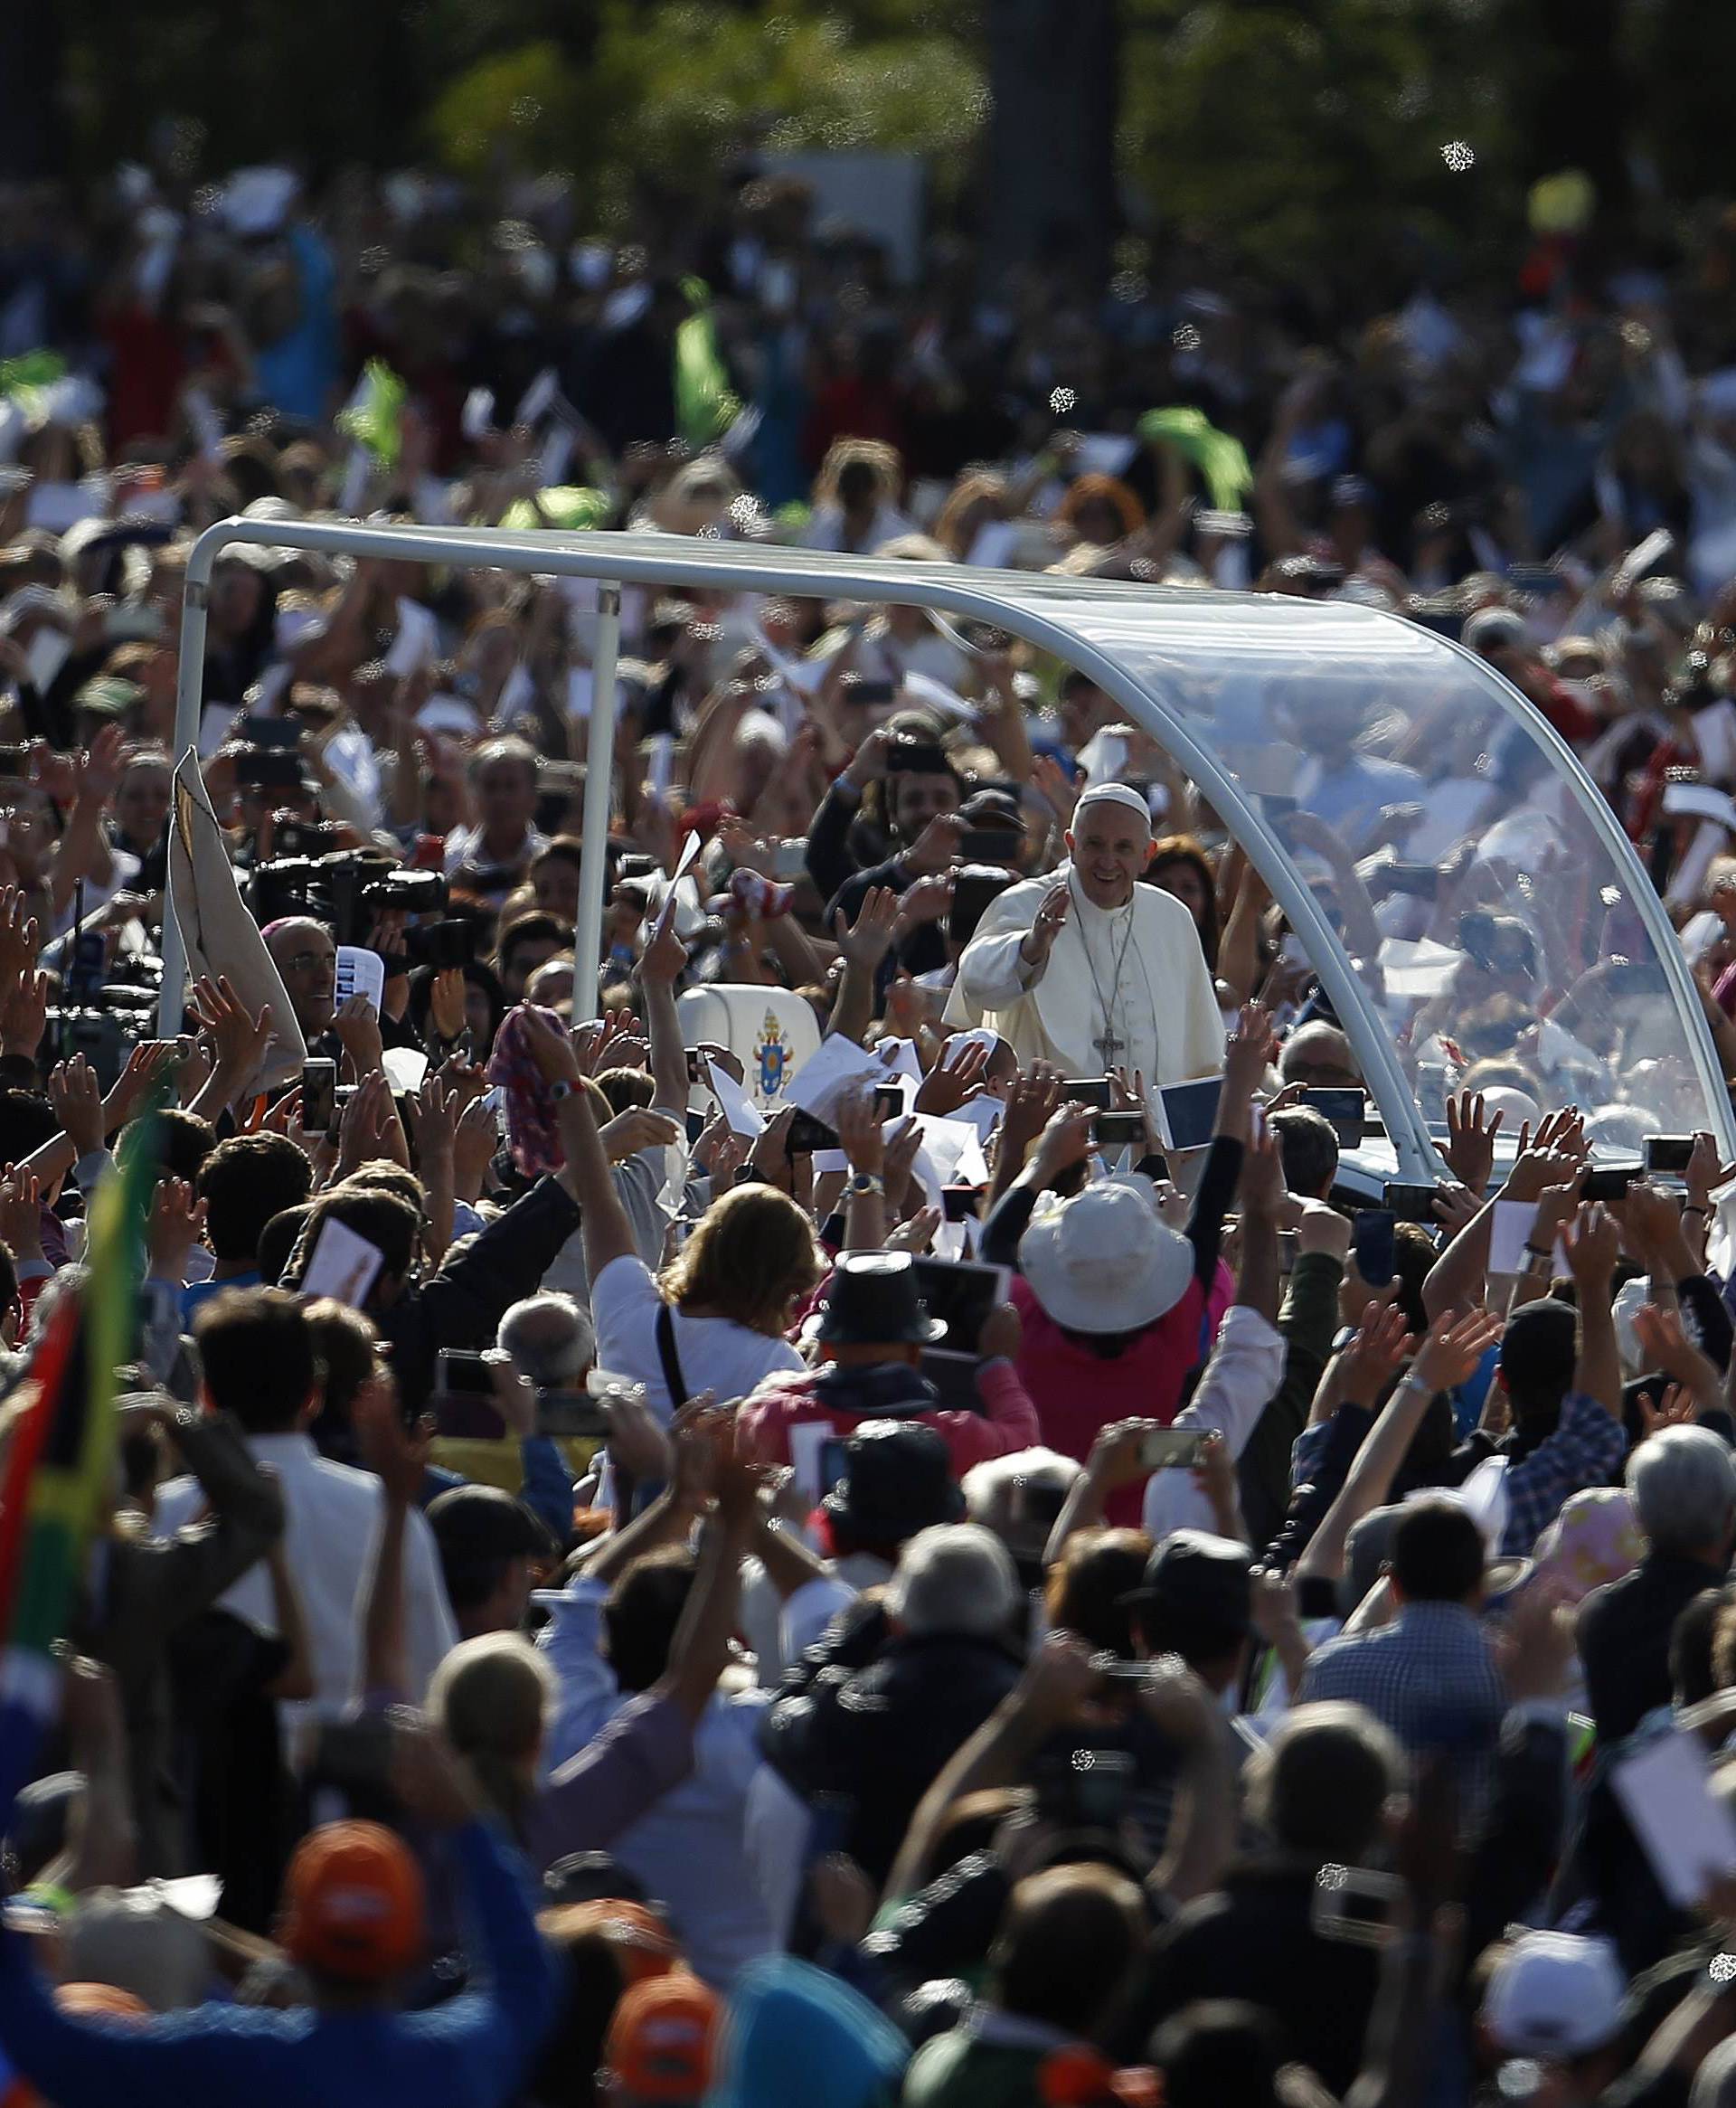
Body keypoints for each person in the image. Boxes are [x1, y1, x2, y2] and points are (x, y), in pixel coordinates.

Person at [0, 1720, 561, 2108]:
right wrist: (467, 1825)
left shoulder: (231, 2059)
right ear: (412, 1948)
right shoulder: (454, 2066)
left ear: (289, 1939)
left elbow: (49, 2048)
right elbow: (524, 1981)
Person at [151, 1288, 457, 1716]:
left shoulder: (159, 1515)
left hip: (202, 1773)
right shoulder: (386, 1511)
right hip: (350, 1769)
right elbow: (433, 1676)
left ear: (206, 1397)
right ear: (314, 1395)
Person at [946, 782, 1223, 1085]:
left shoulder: (1171, 918)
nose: (1107, 861)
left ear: (1147, 855)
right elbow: (977, 983)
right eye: (1094, 844)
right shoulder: (1025, 903)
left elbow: (1203, 1053)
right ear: (1072, 845)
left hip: (1150, 1122)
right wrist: (1031, 948)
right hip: (1047, 1121)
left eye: (1123, 848)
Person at [735, 1251, 1041, 1479]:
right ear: (915, 1352)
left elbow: (762, 1401)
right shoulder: (955, 1438)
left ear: (827, 1347)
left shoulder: (773, 1421)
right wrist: (997, 1364)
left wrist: (822, 1374)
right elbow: (1025, 1443)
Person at [1578, 1426, 1736, 1744]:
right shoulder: (1729, 1619)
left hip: (1622, 1789)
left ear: (1638, 1517)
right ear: (1730, 1514)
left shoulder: (1598, 1616)